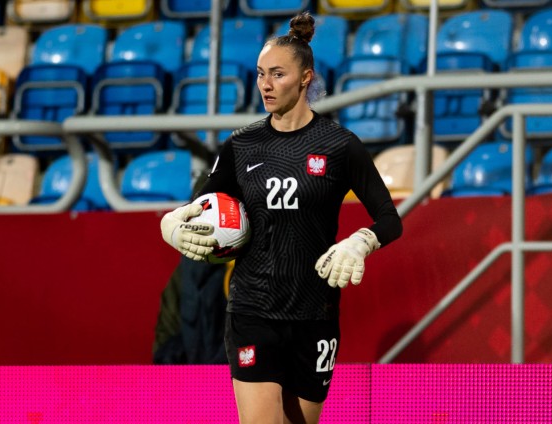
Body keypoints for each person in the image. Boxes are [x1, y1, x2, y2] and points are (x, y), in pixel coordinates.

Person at [160, 12, 402, 424]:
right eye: (259, 74)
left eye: (277, 74)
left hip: (315, 312)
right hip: (253, 309)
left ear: (306, 77)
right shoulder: (242, 144)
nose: (265, 85)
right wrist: (171, 223)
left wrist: (360, 241)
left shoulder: (340, 146)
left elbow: (389, 219)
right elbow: (199, 205)